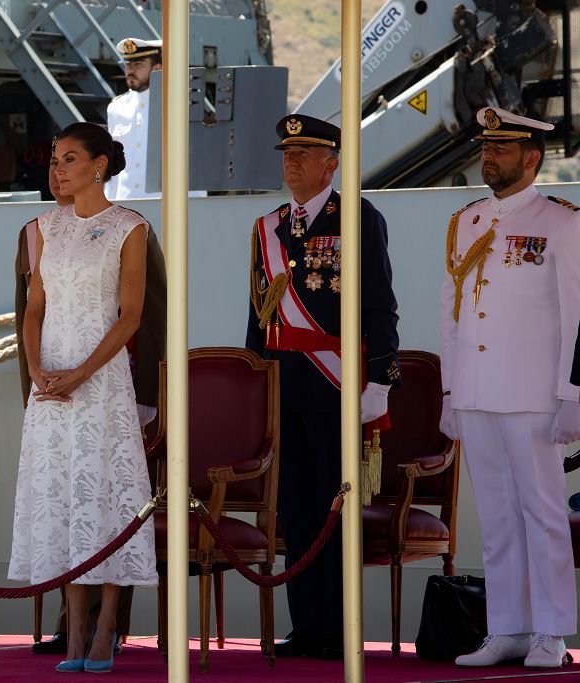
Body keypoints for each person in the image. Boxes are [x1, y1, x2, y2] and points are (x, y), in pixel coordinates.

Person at [245, 114, 400, 660]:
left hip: (338, 390)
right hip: (284, 391)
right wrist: (252, 392)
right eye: (287, 153)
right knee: (296, 513)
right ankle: (307, 626)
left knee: (335, 510)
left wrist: (381, 380)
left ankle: (339, 629)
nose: (291, 161)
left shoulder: (358, 216)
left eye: (305, 153)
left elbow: (380, 308)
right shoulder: (268, 226)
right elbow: (259, 323)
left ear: (330, 163)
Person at [9, 122, 158, 674]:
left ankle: (105, 634)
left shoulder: (129, 227)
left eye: (69, 159)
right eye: (53, 159)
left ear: (99, 165)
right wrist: (36, 367)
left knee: (107, 498)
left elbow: (132, 316)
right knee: (63, 496)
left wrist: (82, 373)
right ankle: (73, 634)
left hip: (101, 381)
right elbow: (34, 308)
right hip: (50, 383)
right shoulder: (39, 228)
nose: (57, 169)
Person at [439, 106, 580, 669]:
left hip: (533, 392)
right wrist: (451, 392)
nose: (488, 156)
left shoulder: (563, 223)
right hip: (475, 392)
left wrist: (574, 395)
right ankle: (507, 628)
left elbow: (578, 317)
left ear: (532, 157)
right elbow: (451, 316)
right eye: (485, 147)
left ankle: (551, 632)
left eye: (500, 148)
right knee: (496, 517)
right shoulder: (466, 222)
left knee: (543, 514)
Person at [104, 38, 161, 201]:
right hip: (125, 201)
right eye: (128, 65)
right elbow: (114, 162)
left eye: (138, 65)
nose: (130, 70)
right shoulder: (117, 107)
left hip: (162, 203)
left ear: (157, 68)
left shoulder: (177, 105)